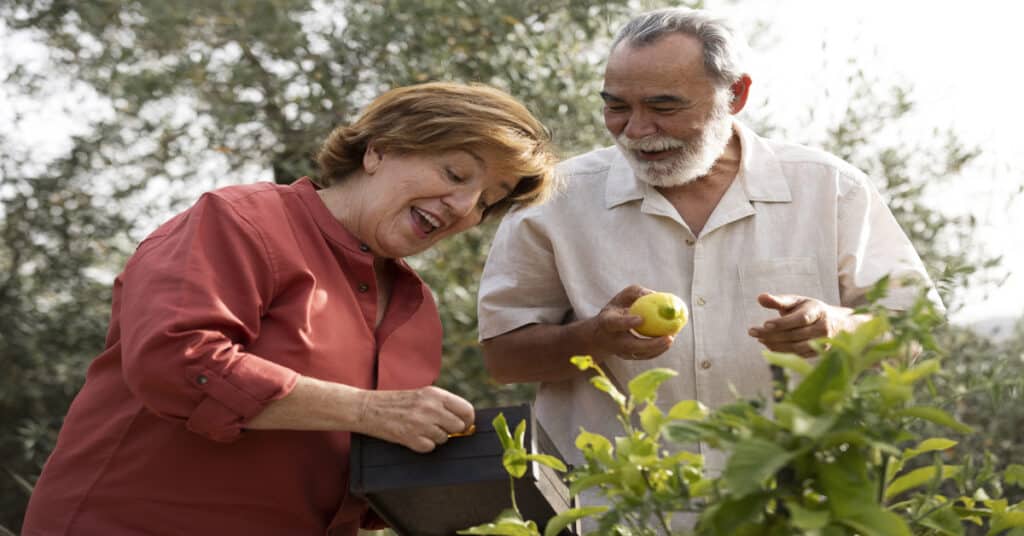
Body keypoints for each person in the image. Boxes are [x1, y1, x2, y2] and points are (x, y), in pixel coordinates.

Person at [22, 82, 557, 535]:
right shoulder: (241, 221)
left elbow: (357, 481)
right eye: (457, 174)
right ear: (379, 150)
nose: (465, 209)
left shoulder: (416, 311)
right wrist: (370, 411)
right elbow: (178, 362)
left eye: (487, 201)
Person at [477, 7, 942, 474]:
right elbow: (502, 360)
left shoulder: (830, 189)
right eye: (617, 106)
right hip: (615, 506)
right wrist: (593, 338)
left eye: (664, 107)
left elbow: (913, 330)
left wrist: (838, 329)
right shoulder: (555, 200)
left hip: (789, 503)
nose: (636, 130)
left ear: (735, 94)